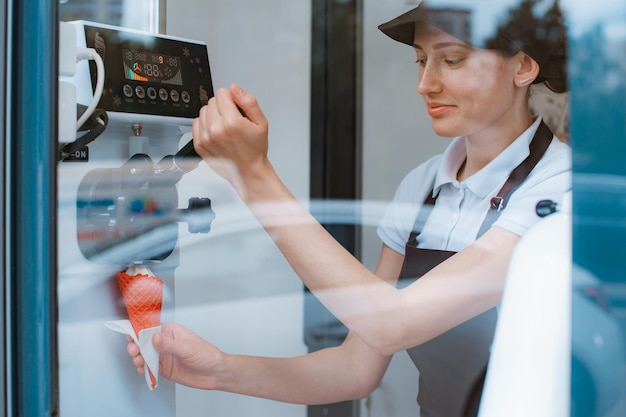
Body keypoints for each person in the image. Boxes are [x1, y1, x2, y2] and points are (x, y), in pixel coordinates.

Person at [127, 1, 570, 416]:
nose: (425, 83)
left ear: (523, 66)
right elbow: (356, 367)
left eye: (451, 59)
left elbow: (392, 324)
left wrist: (253, 175)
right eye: (421, 60)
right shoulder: (422, 188)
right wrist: (219, 369)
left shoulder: (559, 190)